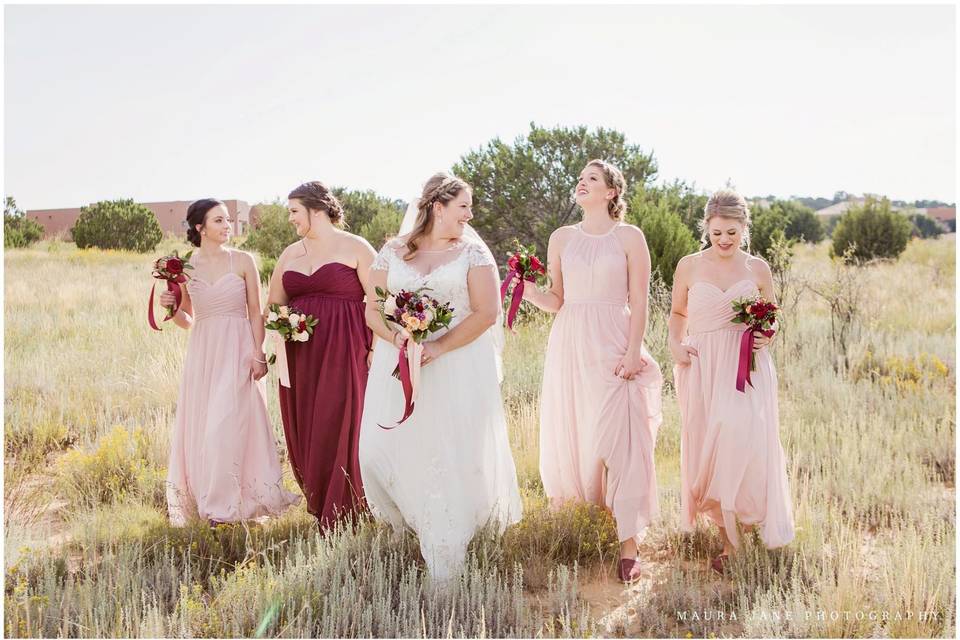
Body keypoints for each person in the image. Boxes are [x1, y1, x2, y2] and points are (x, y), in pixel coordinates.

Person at [359, 172, 522, 584]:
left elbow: (487, 312)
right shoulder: (393, 252)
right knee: (374, 450)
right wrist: (398, 335)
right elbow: (372, 310)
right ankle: (404, 519)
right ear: (438, 207)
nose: (470, 214)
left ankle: (445, 541)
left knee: (444, 449)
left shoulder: (473, 255)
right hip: (398, 361)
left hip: (454, 363)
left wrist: (438, 346)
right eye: (463, 206)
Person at [512, 159, 663, 584]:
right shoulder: (562, 238)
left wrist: (634, 352)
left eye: (591, 179)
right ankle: (583, 522)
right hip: (571, 342)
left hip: (616, 339)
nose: (581, 183)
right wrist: (524, 291)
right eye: (579, 178)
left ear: (612, 192)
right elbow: (558, 299)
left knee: (624, 436)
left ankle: (629, 542)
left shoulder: (630, 237)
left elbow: (641, 299)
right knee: (578, 432)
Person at [669, 189, 795, 574]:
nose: (724, 240)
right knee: (710, 444)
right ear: (706, 227)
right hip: (704, 366)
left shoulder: (757, 269)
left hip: (747, 368)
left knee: (741, 439)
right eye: (717, 232)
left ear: (744, 228)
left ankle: (746, 524)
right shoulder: (689, 266)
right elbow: (677, 313)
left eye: (732, 233)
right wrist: (675, 343)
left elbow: (771, 317)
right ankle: (729, 541)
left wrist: (767, 333)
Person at [164, 198, 299, 526]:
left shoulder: (243, 261)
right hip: (204, 354)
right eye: (219, 221)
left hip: (239, 351)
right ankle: (212, 503)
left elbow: (256, 311)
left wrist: (258, 353)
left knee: (228, 424)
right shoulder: (185, 268)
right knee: (207, 426)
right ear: (200, 228)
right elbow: (187, 320)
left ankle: (233, 503)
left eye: (228, 220)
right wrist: (170, 308)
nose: (228, 227)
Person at [266, 181, 376, 530]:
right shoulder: (289, 254)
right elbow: (273, 305)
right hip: (301, 355)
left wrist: (374, 348)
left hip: (346, 348)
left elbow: (378, 302)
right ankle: (318, 499)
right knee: (307, 424)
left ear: (317, 210)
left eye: (294, 211)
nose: (290, 219)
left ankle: (348, 506)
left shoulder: (356, 247)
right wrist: (284, 323)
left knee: (341, 420)